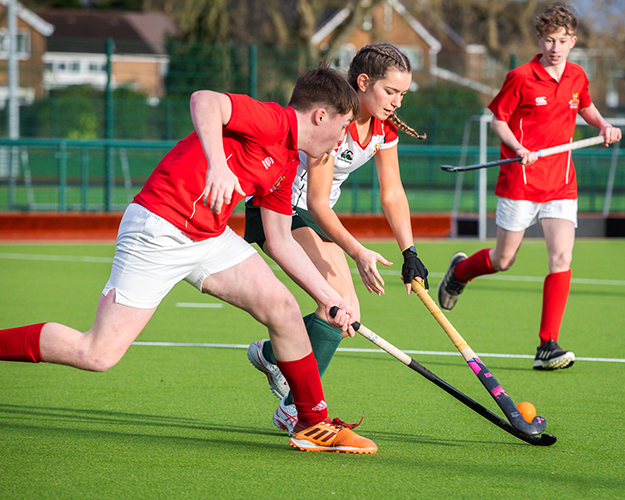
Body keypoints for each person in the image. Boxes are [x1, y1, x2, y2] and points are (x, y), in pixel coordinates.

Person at [0, 66, 379, 454]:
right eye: (345, 124)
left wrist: (330, 298)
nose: (343, 137)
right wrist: (217, 164)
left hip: (208, 236)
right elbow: (205, 99)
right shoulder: (271, 120)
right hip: (158, 230)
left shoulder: (286, 162)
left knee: (281, 308)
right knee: (96, 353)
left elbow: (281, 241)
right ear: (321, 116)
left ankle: (312, 424)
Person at [244, 43, 429, 434]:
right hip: (280, 206)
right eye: (390, 92)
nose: (396, 102)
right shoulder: (334, 116)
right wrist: (358, 251)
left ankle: (274, 355)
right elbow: (316, 201)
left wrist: (409, 250)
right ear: (363, 82)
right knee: (337, 306)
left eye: (402, 95)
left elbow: (392, 192)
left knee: (349, 314)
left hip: (311, 215)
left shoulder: (383, 127)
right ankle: (295, 408)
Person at [437, 1, 622, 370]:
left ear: (573, 42)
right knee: (503, 259)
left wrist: (602, 125)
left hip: (560, 184)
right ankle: (459, 273)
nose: (556, 47)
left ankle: (547, 345)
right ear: (540, 39)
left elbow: (584, 107)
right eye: (550, 40)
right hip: (520, 182)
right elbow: (497, 121)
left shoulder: (577, 77)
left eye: (563, 40)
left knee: (562, 257)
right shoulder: (521, 77)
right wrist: (519, 147)